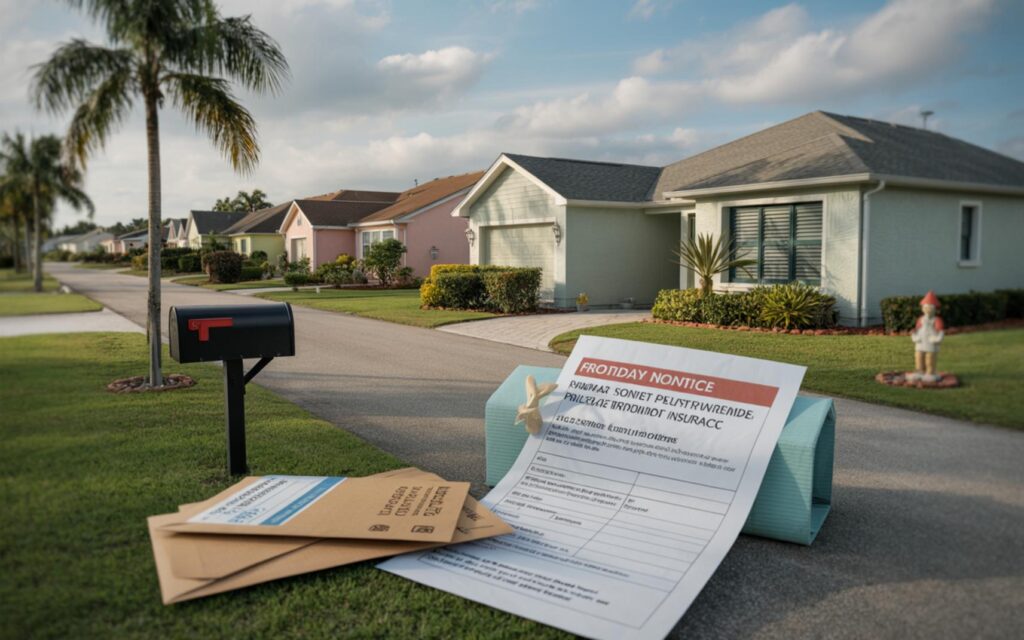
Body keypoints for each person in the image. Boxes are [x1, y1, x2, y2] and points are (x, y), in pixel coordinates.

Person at [909, 290, 944, 382]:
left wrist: (936, 339)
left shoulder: (937, 320)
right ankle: (919, 371)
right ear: (923, 309)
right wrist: (914, 334)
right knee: (919, 357)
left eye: (930, 308)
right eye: (926, 308)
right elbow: (917, 329)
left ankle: (930, 373)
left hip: (931, 344)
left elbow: (940, 332)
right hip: (920, 343)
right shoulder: (920, 319)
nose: (928, 310)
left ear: (934, 309)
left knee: (930, 359)